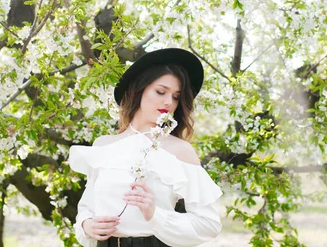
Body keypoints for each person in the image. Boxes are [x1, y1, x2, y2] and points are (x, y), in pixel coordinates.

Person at [69, 48, 223, 247]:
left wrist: (155, 214)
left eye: (176, 97)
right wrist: (87, 225)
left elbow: (208, 224)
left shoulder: (180, 151)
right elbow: (87, 207)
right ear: (139, 89)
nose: (168, 102)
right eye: (161, 92)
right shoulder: (104, 146)